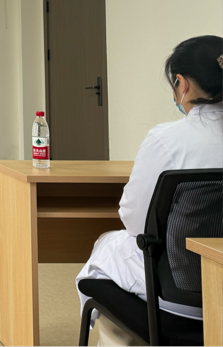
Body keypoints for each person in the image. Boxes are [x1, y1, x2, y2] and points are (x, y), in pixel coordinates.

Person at [76, 35, 223, 346]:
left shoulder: (168, 140)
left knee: (106, 251)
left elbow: (136, 221)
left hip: (180, 297)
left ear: (182, 84)